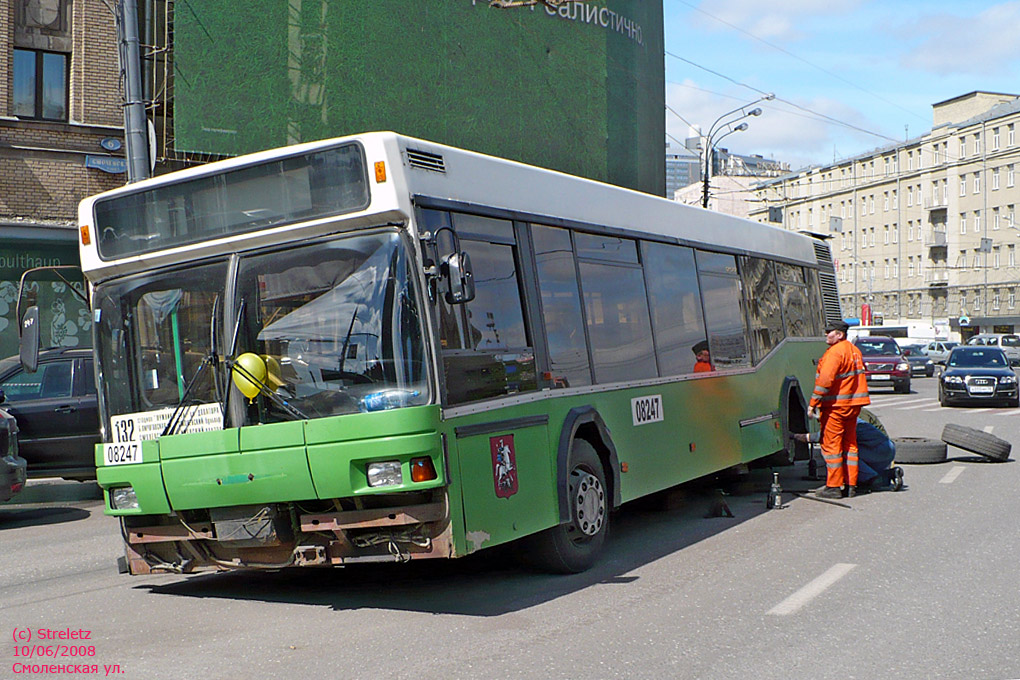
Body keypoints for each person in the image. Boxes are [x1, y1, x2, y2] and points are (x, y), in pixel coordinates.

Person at [809, 320, 871, 498]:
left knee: (831, 446)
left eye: (830, 332)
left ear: (840, 335)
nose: (826, 335)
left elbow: (825, 381)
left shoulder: (835, 352)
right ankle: (851, 485)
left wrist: (813, 403)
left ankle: (834, 486)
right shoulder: (854, 351)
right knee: (850, 445)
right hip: (853, 406)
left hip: (836, 406)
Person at [794, 415, 904, 492]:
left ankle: (872, 479)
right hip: (886, 448)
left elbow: (821, 437)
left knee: (840, 452)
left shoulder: (838, 420)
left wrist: (792, 436)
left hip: (877, 450)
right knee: (859, 467)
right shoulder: (853, 415)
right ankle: (890, 474)